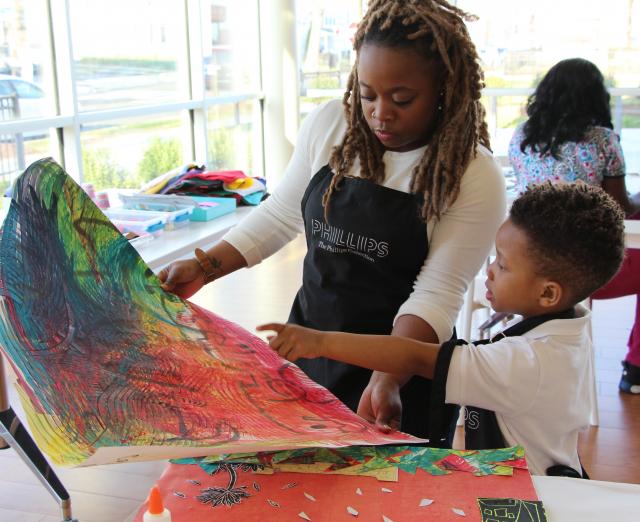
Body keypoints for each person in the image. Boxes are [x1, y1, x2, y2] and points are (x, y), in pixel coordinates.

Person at [159, 0, 506, 441]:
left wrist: (386, 375)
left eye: (402, 99)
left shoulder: (473, 175)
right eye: (367, 94)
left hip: (403, 367)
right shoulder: (329, 126)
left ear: (444, 88)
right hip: (310, 343)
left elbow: (436, 293)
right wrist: (206, 267)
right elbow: (281, 213)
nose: (381, 112)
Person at [258, 183, 626, 476]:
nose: (491, 269)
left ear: (548, 293)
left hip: (532, 494)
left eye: (503, 263)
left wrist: (319, 340)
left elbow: (416, 356)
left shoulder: (527, 362)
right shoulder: (569, 325)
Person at [508, 57, 640, 393]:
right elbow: (618, 208)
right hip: (584, 274)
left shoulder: (521, 136)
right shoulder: (603, 141)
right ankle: (636, 368)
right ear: (596, 97)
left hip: (524, 270)